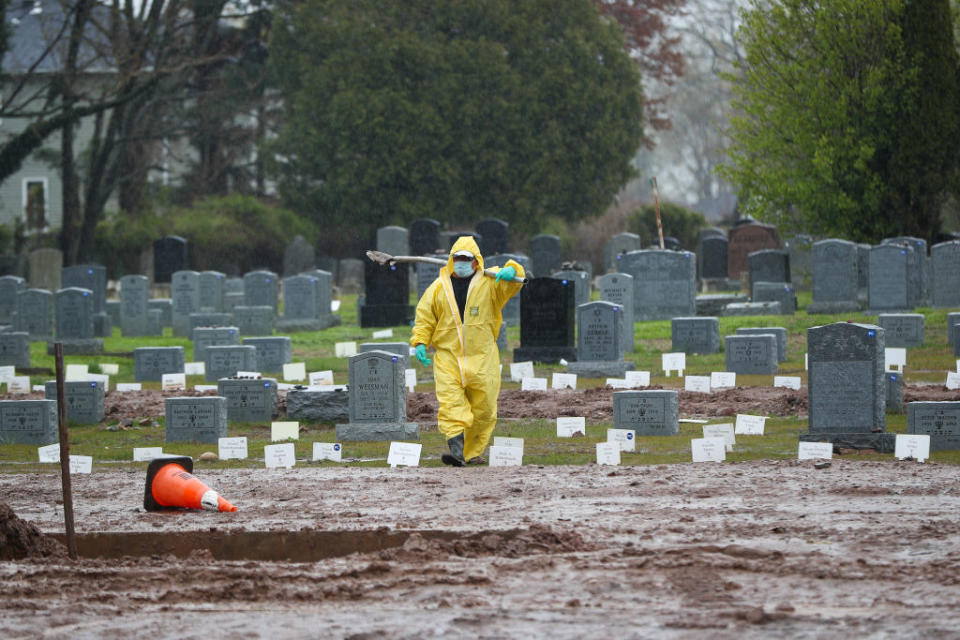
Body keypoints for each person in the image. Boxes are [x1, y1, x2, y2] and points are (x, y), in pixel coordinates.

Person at [410, 236, 525, 466]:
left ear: (476, 261)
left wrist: (512, 271)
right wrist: (420, 342)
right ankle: (456, 450)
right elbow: (425, 317)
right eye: (458, 258)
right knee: (451, 403)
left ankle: (471, 453)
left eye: (466, 258)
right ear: (452, 260)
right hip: (448, 357)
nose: (461, 262)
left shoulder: (490, 282)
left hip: (482, 358)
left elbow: (514, 282)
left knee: (484, 410)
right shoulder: (437, 288)